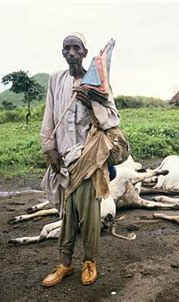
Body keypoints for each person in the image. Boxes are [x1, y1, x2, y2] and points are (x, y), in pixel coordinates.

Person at [39, 32, 120, 286]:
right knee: (67, 214)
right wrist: (49, 148)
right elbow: (49, 116)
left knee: (89, 215)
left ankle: (89, 261)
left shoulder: (98, 84)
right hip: (63, 158)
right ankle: (64, 264)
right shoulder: (55, 80)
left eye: (77, 48)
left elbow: (112, 118)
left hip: (89, 158)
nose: (71, 52)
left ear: (85, 53)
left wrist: (93, 102)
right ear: (62, 53)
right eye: (67, 48)